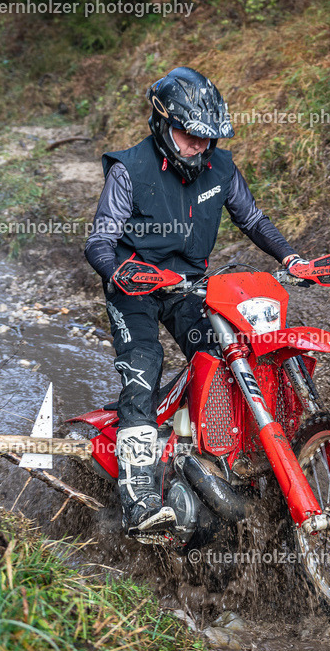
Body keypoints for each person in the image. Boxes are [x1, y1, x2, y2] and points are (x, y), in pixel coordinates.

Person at [84, 67, 308, 538]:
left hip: (190, 287)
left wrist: (291, 256)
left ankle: (229, 456)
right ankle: (139, 499)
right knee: (144, 367)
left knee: (226, 357)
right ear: (163, 126)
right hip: (136, 284)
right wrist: (121, 271)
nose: (199, 147)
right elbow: (99, 240)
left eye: (207, 139)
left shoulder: (220, 167)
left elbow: (252, 217)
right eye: (190, 137)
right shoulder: (130, 170)